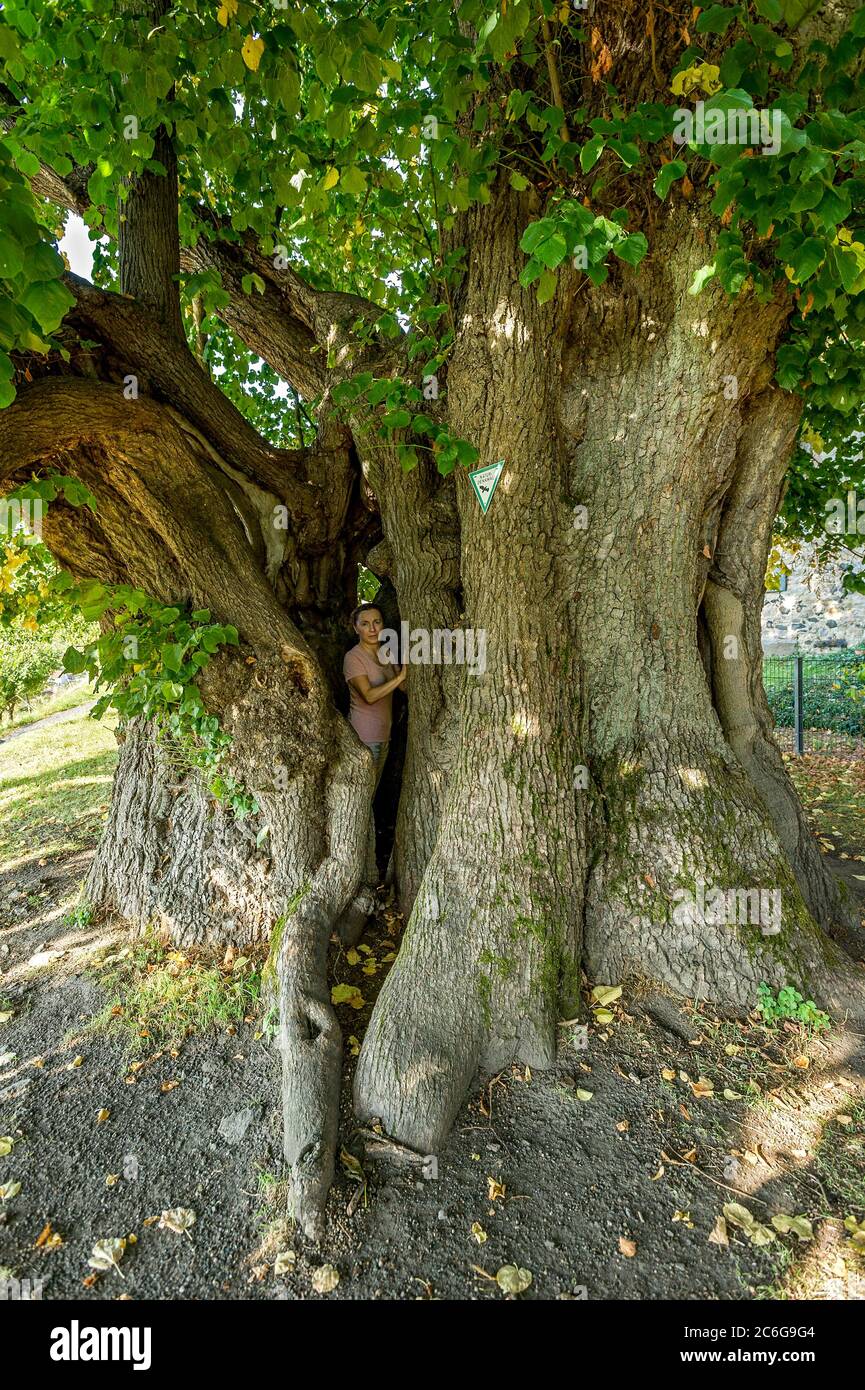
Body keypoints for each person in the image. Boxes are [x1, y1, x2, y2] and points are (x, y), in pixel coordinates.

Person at [343, 603, 406, 791]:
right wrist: (401, 676)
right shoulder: (353, 658)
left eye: (377, 622)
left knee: (373, 791)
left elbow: (403, 687)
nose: (372, 629)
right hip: (364, 736)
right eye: (365, 624)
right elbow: (369, 696)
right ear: (356, 628)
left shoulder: (386, 652)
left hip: (384, 735)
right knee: (362, 793)